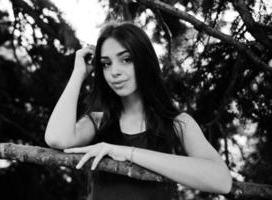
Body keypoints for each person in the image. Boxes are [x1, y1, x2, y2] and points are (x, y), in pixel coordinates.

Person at [44, 21, 232, 200]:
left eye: (126, 59)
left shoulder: (178, 123)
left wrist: (127, 153)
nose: (114, 72)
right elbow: (56, 138)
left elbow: (221, 181)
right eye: (106, 64)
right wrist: (78, 74)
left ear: (145, 61)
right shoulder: (99, 121)